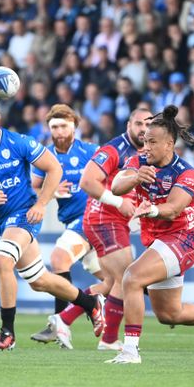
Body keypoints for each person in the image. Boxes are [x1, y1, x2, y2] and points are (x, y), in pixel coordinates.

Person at [0, 96, 104, 351]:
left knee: (2, 259)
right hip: (2, 222)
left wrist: (41, 204)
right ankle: (91, 303)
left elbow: (54, 168)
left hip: (25, 214)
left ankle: (7, 332)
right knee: (40, 281)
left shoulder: (18, 142)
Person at [106, 105, 194, 364]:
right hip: (159, 242)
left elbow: (173, 210)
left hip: (183, 239)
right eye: (145, 141)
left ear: (169, 144)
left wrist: (153, 210)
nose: (146, 146)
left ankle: (130, 351)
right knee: (169, 314)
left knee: (132, 278)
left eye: (152, 142)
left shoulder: (186, 172)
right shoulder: (138, 162)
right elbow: (115, 186)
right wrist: (136, 178)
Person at [49, 107, 153, 351]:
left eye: (148, 124)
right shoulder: (114, 148)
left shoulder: (146, 151)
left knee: (112, 282)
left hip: (116, 221)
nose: (143, 129)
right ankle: (71, 322)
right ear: (128, 125)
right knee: (126, 278)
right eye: (138, 123)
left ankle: (93, 332)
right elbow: (87, 182)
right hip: (102, 218)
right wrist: (120, 202)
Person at [29, 104, 109, 345]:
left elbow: (112, 178)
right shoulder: (44, 156)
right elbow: (34, 188)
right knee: (117, 282)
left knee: (59, 259)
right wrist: (50, 192)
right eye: (54, 127)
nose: (59, 131)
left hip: (93, 218)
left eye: (64, 125)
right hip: (74, 223)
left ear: (75, 126)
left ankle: (60, 323)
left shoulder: (91, 151)